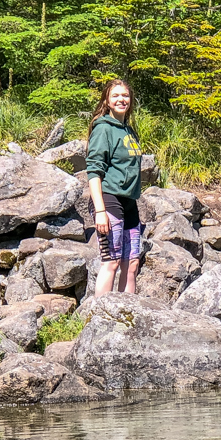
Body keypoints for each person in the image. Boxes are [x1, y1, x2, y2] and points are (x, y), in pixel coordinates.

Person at [85, 79, 143, 296]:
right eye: (116, 96)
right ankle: (100, 318)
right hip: (108, 199)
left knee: (132, 263)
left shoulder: (128, 129)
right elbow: (93, 171)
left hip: (129, 201)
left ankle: (128, 316)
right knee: (112, 261)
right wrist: (100, 211)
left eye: (125, 95)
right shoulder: (103, 128)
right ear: (107, 101)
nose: (121, 99)